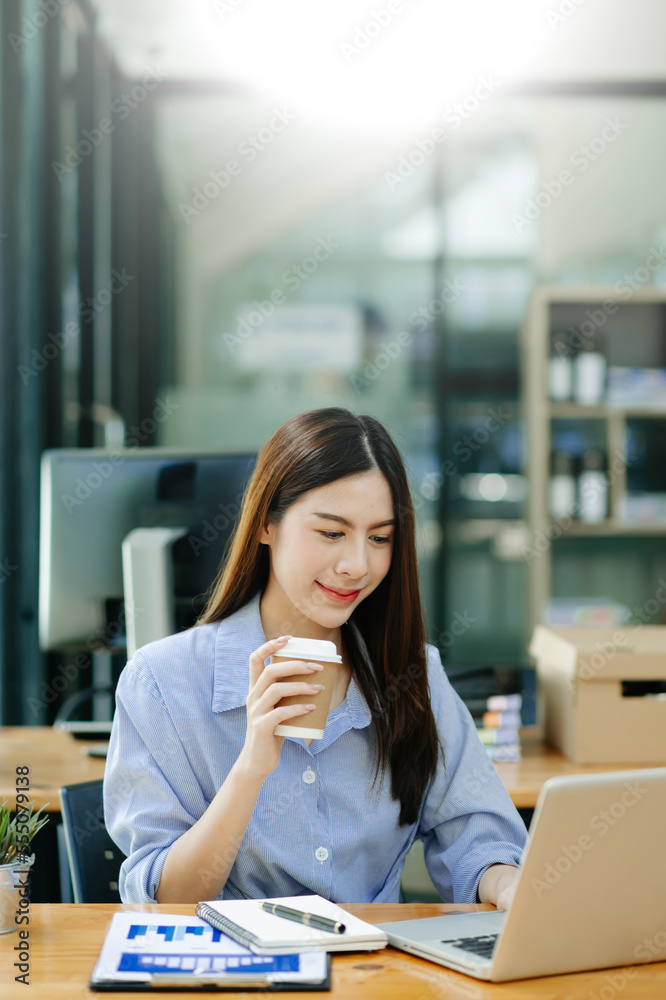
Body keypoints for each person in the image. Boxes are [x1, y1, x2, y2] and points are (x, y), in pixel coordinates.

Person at [104, 407, 527, 907]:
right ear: (266, 524)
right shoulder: (160, 682)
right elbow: (165, 899)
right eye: (331, 533)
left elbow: (477, 836)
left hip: (376, 974)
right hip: (236, 976)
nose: (356, 565)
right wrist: (251, 768)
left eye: (380, 538)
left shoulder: (412, 672)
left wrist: (509, 884)